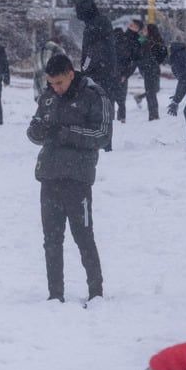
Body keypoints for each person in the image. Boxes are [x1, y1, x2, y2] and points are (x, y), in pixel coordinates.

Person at [27, 54, 111, 303]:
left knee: (83, 237)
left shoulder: (94, 95)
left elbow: (103, 135)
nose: (55, 88)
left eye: (59, 83)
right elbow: (33, 130)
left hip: (78, 178)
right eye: (51, 83)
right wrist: (37, 131)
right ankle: (55, 294)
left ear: (71, 74)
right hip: (49, 175)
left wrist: (66, 133)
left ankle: (96, 292)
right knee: (51, 240)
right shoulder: (48, 96)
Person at [75, 0, 121, 114]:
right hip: (108, 70)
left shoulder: (92, 26)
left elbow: (91, 51)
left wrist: (84, 69)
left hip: (96, 72)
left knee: (96, 108)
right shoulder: (104, 21)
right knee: (106, 105)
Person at [133, 23, 167, 120]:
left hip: (151, 69)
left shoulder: (151, 42)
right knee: (151, 92)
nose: (143, 31)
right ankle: (153, 115)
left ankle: (153, 113)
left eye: (145, 29)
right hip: (149, 69)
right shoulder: (146, 40)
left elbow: (161, 54)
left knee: (154, 90)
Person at [112, 19, 144, 121]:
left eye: (135, 25)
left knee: (121, 99)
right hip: (111, 70)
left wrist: (125, 75)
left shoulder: (136, 42)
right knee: (109, 97)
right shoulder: (120, 35)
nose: (132, 25)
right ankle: (109, 120)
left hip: (122, 72)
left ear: (138, 29)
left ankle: (122, 120)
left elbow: (134, 62)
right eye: (132, 23)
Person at [33, 35, 67, 101]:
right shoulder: (58, 50)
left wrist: (39, 99)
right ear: (58, 43)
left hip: (43, 98)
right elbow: (66, 73)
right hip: (57, 97)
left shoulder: (37, 54)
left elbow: (36, 78)